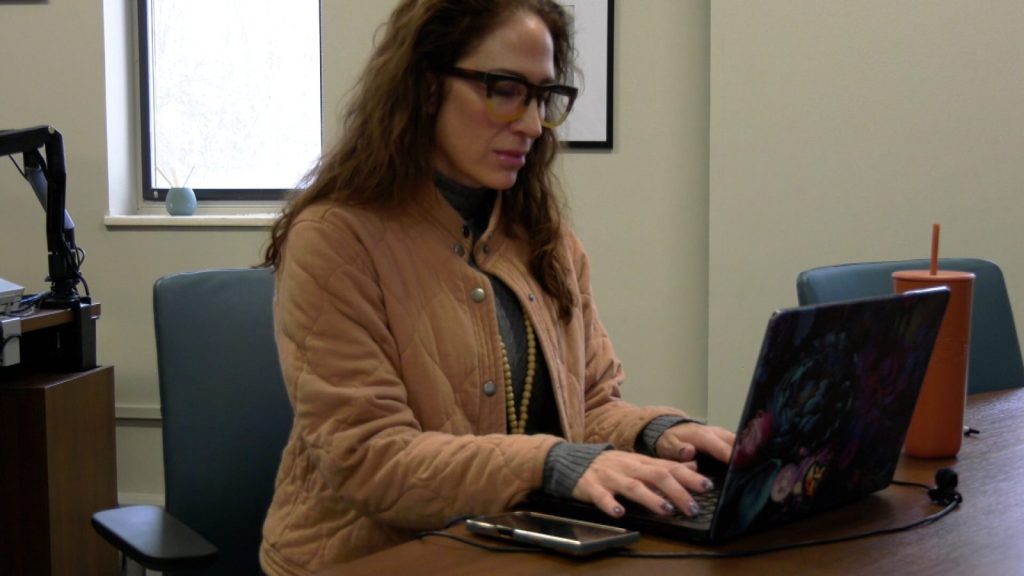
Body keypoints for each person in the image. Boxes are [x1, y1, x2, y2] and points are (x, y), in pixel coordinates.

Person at [259, 1, 735, 573]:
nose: (533, 124)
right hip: (367, 558)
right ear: (426, 85)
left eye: (541, 97)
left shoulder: (543, 236)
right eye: (505, 88)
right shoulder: (335, 239)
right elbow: (369, 458)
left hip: (507, 546)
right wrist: (551, 462)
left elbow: (586, 407)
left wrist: (662, 434)